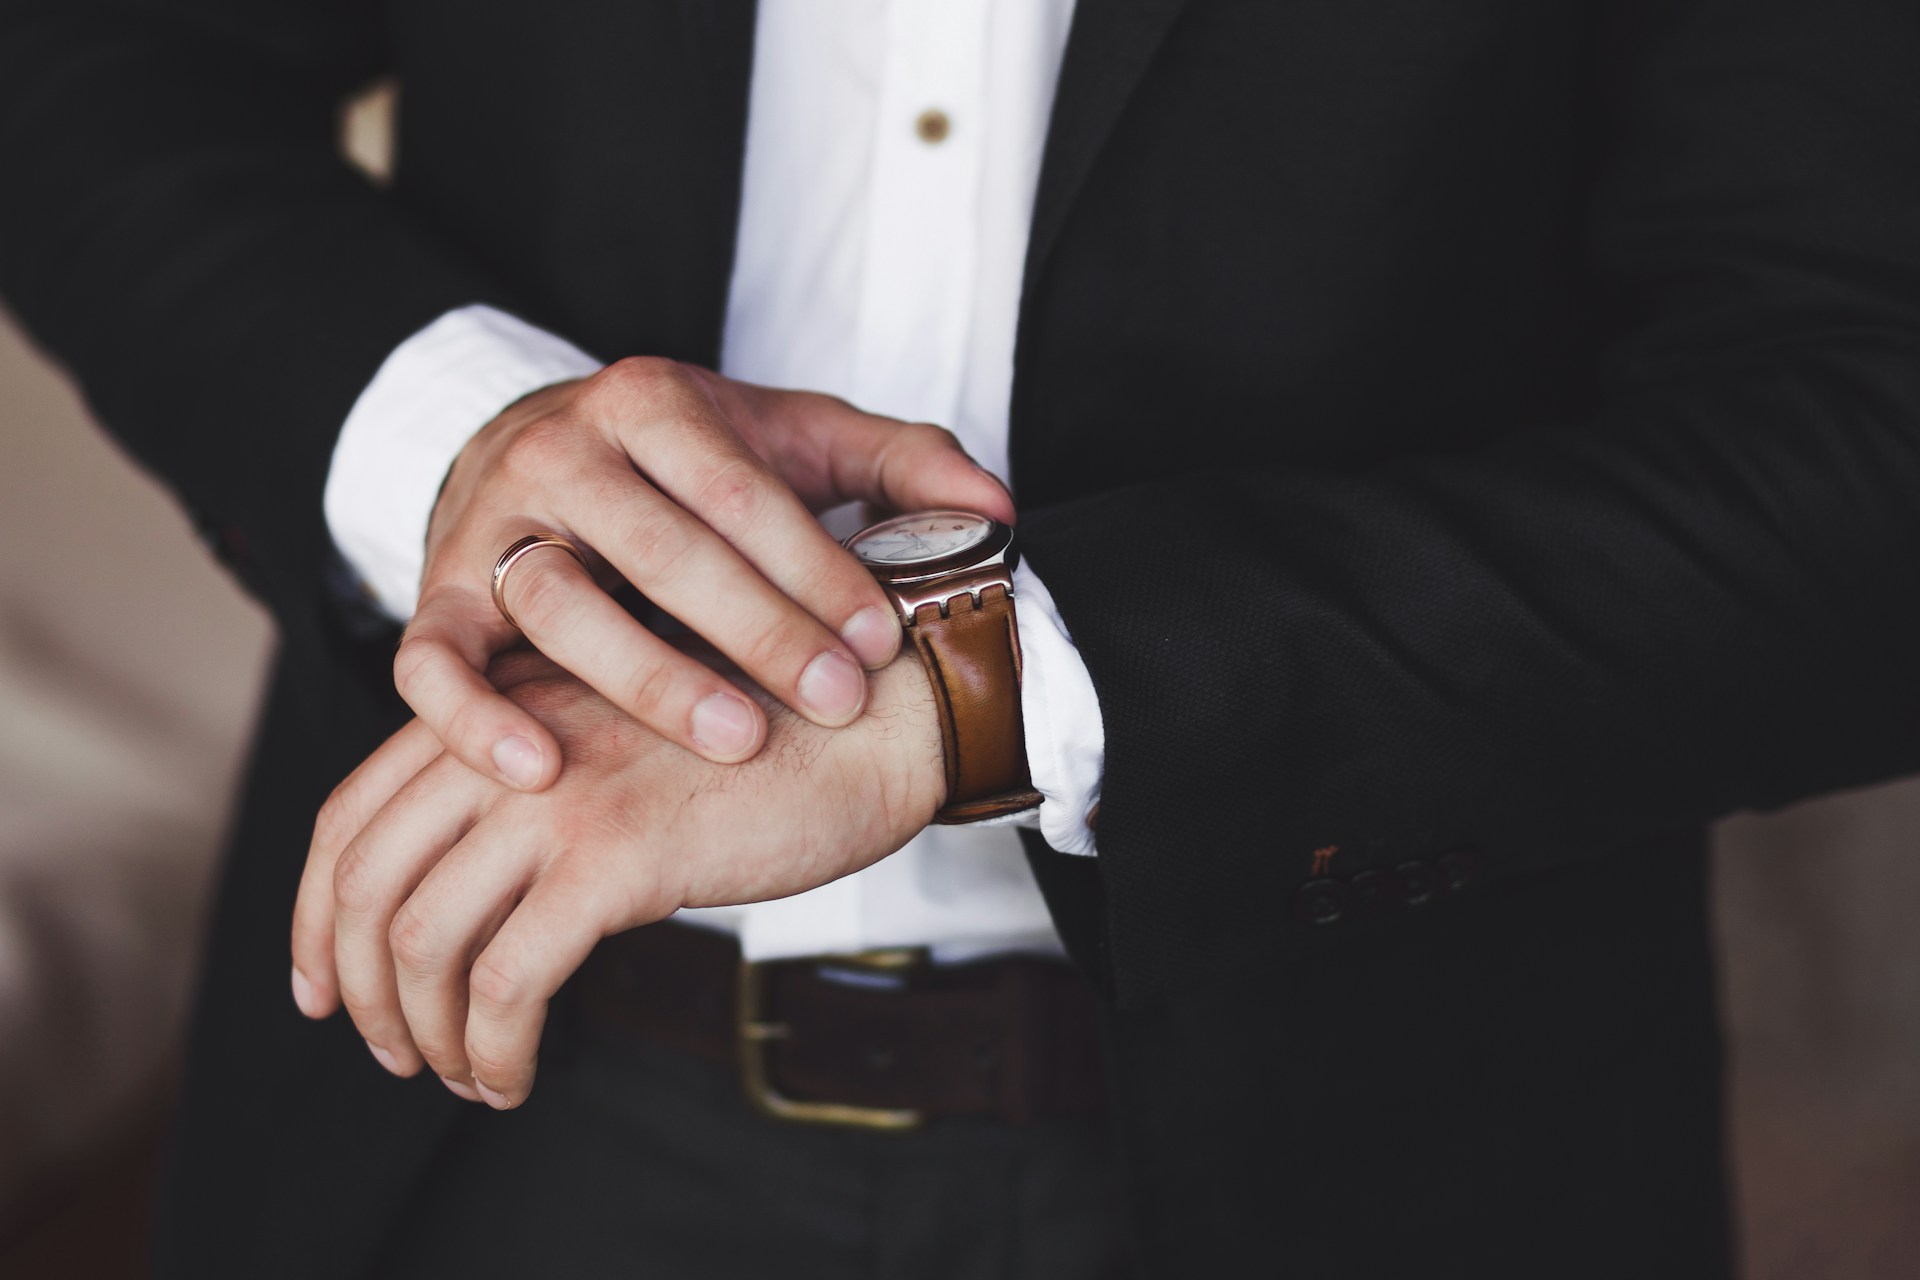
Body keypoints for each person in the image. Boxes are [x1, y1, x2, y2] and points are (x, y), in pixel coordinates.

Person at [5, 0, 1919, 1275]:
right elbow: (90, 59)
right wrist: (465, 445)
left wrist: (988, 682)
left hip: (1369, 1139)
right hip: (479, 1123)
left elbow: (1868, 445)